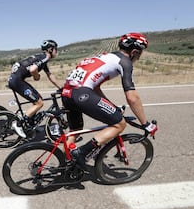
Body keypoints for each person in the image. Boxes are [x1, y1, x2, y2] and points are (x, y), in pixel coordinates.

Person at [61, 32, 158, 167]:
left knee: (75, 130)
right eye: (140, 53)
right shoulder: (125, 62)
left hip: (66, 92)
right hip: (81, 93)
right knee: (119, 124)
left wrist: (113, 107)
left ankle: (66, 162)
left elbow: (95, 89)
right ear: (134, 52)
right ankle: (81, 153)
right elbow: (132, 97)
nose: (139, 57)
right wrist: (145, 123)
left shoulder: (105, 56)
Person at [8, 39, 62, 138]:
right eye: (55, 49)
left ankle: (30, 123)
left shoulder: (41, 58)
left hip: (15, 79)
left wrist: (61, 87)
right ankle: (19, 124)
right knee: (39, 103)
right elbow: (33, 69)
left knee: (37, 99)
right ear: (50, 49)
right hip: (17, 81)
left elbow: (50, 76)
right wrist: (36, 77)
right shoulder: (45, 57)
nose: (56, 51)